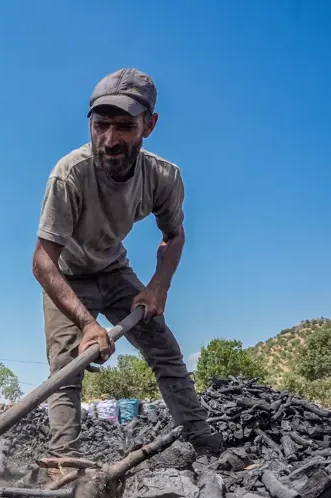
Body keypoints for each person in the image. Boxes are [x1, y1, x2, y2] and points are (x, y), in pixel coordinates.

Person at [31, 67, 223, 457]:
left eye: (124, 127)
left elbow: (174, 235)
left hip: (115, 270)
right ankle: (64, 465)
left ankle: (204, 444)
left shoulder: (163, 177)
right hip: (66, 277)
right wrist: (86, 323)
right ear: (89, 122)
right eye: (101, 125)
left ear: (149, 125)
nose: (110, 140)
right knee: (67, 368)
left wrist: (158, 287)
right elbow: (41, 262)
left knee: (164, 349)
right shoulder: (70, 175)